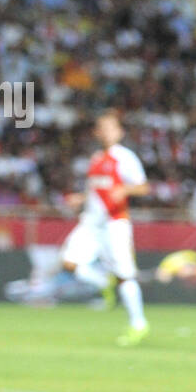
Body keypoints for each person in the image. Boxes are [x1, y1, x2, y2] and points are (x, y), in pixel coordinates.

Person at [61, 110, 151, 346]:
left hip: (115, 223)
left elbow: (143, 187)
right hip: (91, 223)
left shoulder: (125, 157)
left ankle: (138, 324)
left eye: (111, 127)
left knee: (125, 275)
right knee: (69, 263)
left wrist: (125, 190)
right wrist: (80, 199)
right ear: (96, 132)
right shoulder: (96, 159)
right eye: (102, 127)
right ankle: (103, 282)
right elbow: (96, 191)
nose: (106, 132)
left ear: (119, 132)